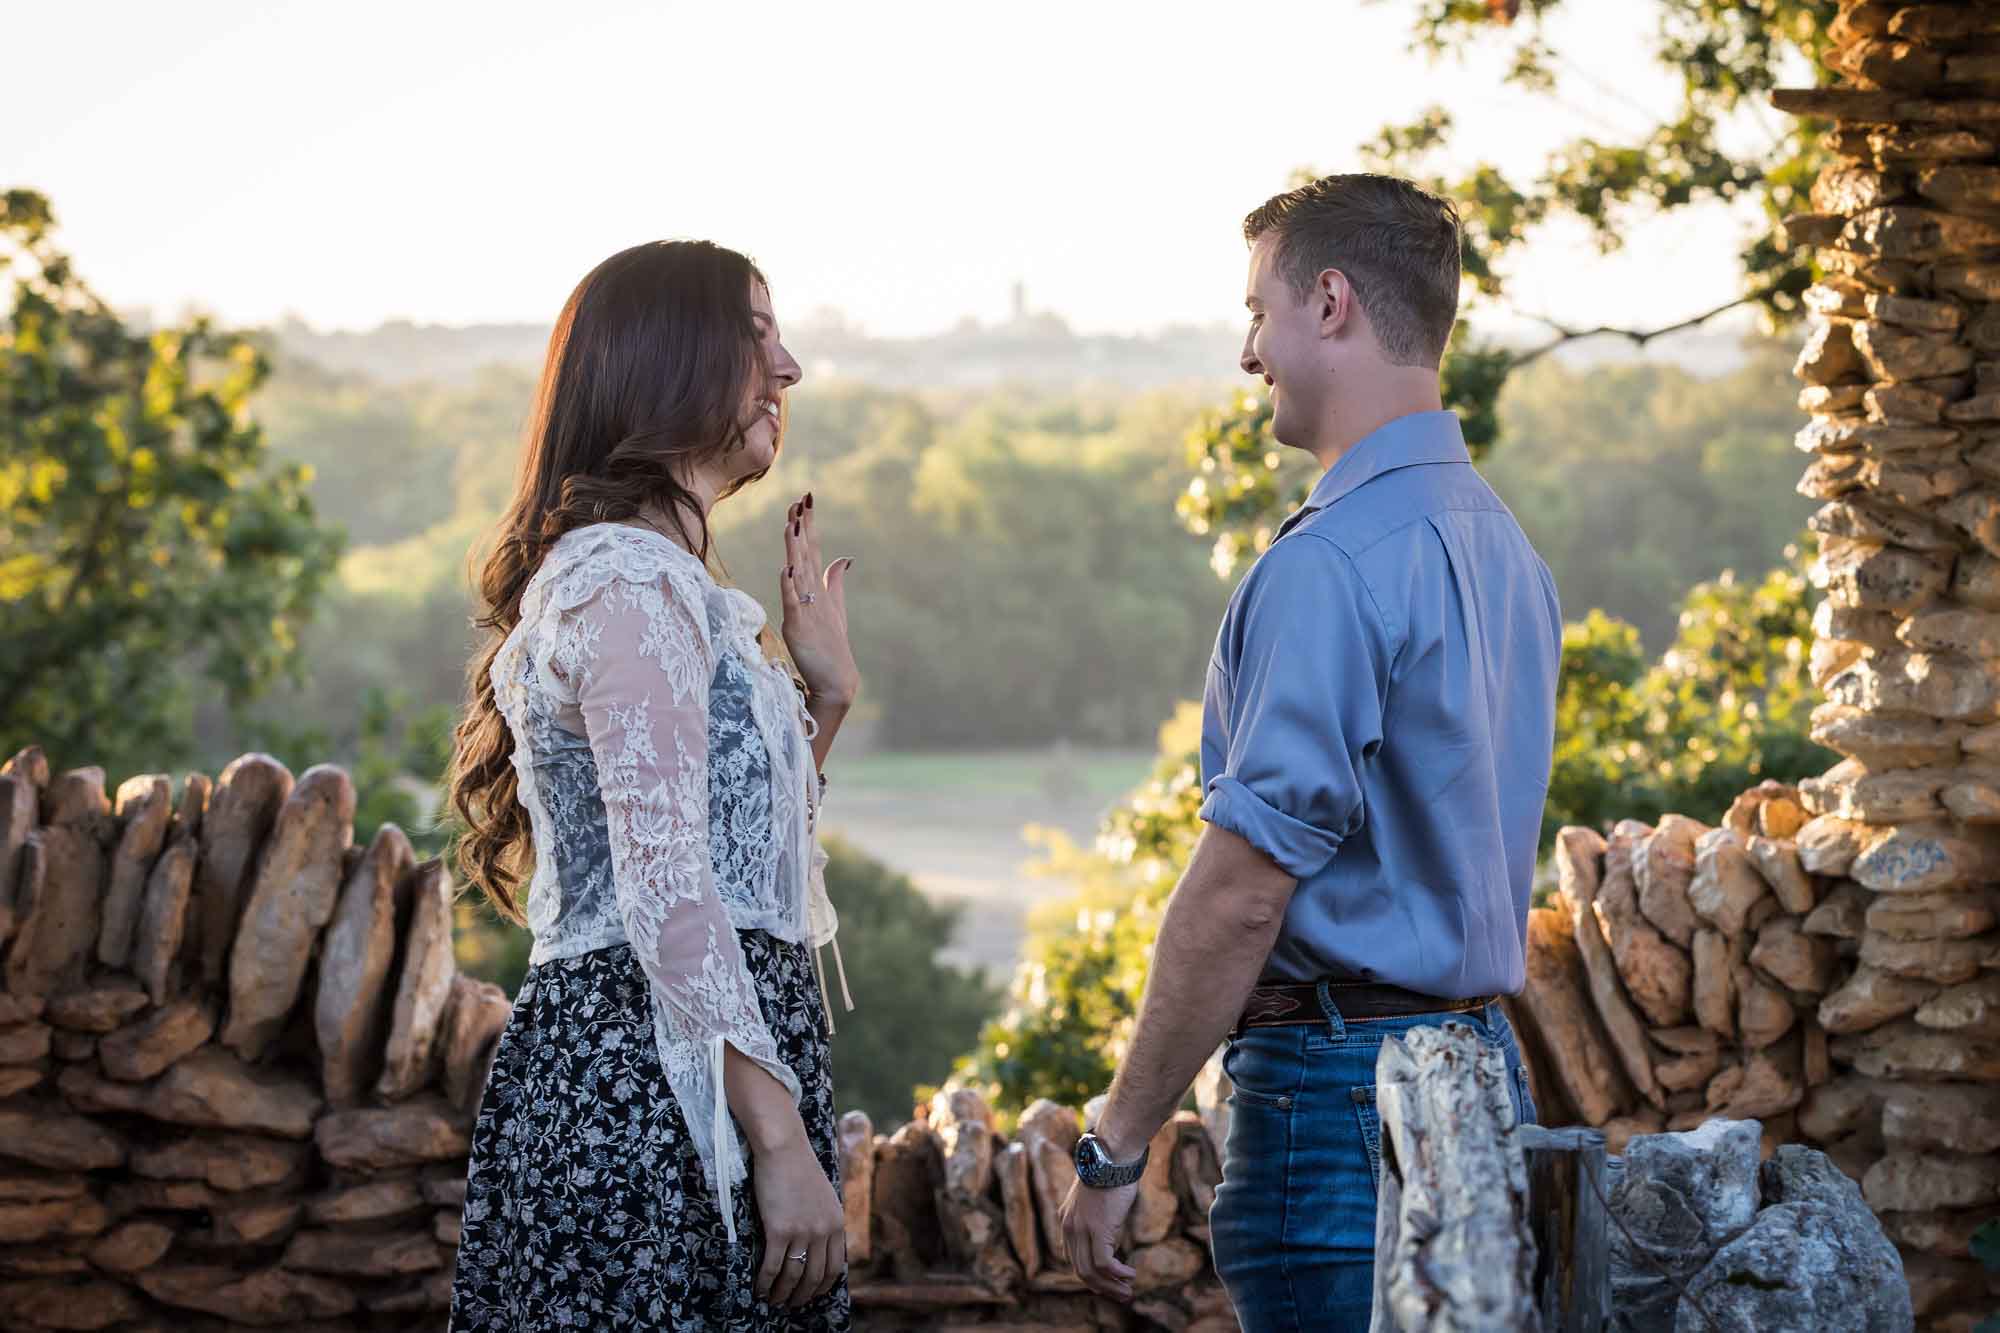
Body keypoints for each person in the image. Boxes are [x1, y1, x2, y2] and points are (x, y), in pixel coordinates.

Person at [1058, 174, 1563, 1330]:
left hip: (1341, 1102)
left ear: (1328, 302)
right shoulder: (1504, 547)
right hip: (1482, 1071)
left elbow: (1239, 896)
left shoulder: (1327, 565)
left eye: (1257, 311)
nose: (1248, 353)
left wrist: (1114, 1144)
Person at [444, 239, 860, 1330]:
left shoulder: (665, 582)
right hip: (645, 1093)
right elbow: (668, 887)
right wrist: (775, 1139)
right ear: (669, 362)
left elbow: (729, 853)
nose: (790, 369)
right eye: (757, 334)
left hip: (712, 1070)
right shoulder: (623, 580)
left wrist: (825, 700)